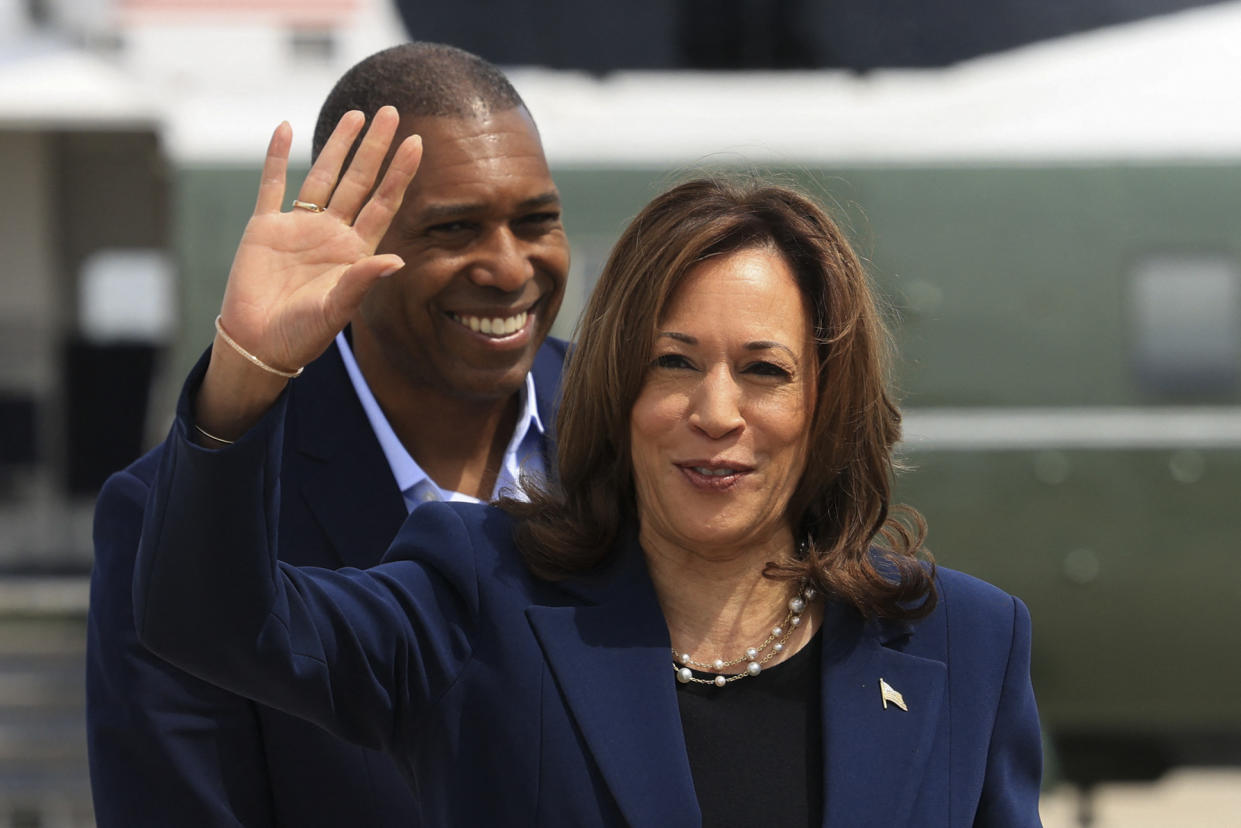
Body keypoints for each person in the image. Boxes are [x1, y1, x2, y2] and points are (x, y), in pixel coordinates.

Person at [132, 109, 1043, 826]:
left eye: (764, 371)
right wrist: (246, 375)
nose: (715, 414)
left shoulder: (962, 641)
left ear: (826, 406)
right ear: (618, 389)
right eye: (673, 362)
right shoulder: (477, 594)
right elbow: (210, 625)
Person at [86, 45, 570, 827]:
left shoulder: (649, 438)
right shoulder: (171, 521)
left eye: (536, 221)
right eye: (455, 229)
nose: (511, 267)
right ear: (354, 242)